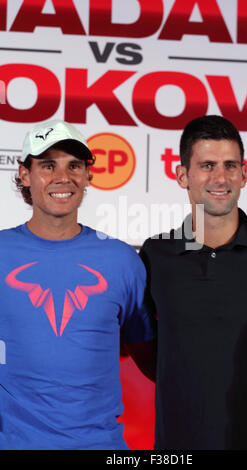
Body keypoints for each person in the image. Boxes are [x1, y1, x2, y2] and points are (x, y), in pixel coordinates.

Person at [139, 115, 247, 450]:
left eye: (230, 165)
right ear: (182, 174)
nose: (221, 177)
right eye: (207, 165)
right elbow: (142, 344)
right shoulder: (156, 256)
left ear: (244, 174)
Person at [0, 119, 156, 450]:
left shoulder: (121, 260)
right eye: (47, 165)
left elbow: (152, 358)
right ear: (25, 175)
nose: (63, 177)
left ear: (88, 176)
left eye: (74, 165)